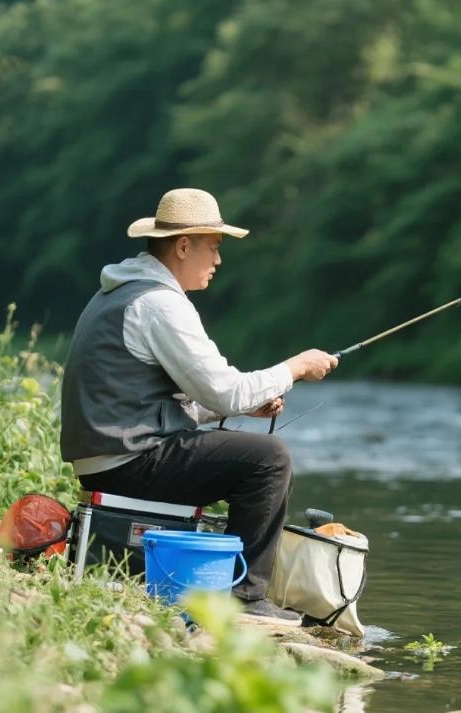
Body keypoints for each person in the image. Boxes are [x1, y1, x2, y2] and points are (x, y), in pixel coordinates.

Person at [59, 187, 338, 625]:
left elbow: (169, 399)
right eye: (214, 247)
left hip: (108, 458)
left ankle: (230, 588)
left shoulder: (118, 293)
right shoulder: (159, 304)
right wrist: (296, 366)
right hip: (129, 461)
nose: (218, 260)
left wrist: (249, 405)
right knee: (268, 459)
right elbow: (225, 391)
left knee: (251, 453)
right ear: (183, 245)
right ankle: (245, 600)